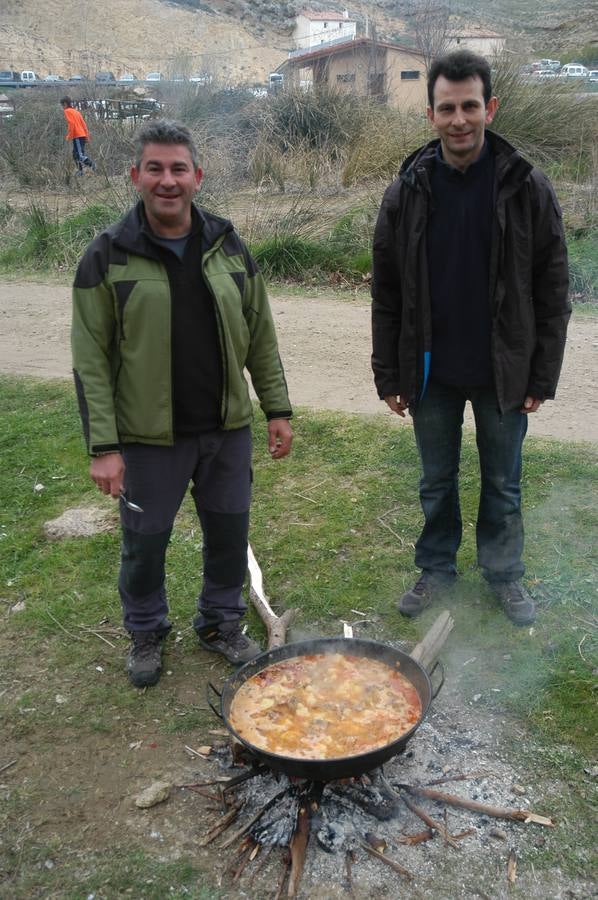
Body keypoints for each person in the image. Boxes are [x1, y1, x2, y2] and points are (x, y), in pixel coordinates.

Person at [71, 119, 293, 687]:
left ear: (198, 176)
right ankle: (146, 631)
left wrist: (276, 409)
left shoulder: (228, 244)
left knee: (229, 536)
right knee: (144, 545)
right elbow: (90, 360)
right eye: (155, 169)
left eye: (178, 169)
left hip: (226, 429)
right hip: (147, 439)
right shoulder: (107, 255)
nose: (167, 180)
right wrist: (104, 447)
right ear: (135, 176)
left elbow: (260, 334)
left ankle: (221, 623)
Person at [371, 50, 569, 626]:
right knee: (436, 482)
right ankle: (436, 569)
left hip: (502, 369)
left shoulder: (526, 186)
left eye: (470, 106)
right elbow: (387, 291)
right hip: (430, 371)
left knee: (502, 484)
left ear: (491, 108)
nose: (459, 119)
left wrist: (541, 376)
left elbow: (553, 289)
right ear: (430, 114)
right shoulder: (407, 190)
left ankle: (504, 574)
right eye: (447, 108)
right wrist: (389, 373)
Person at [60, 96, 96, 175]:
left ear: (65, 104)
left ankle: (92, 165)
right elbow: (84, 124)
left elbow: (71, 124)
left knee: (79, 155)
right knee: (75, 155)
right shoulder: (76, 112)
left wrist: (69, 136)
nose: (62, 107)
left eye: (62, 105)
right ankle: (80, 171)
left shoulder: (67, 111)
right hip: (81, 135)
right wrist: (87, 136)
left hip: (77, 135)